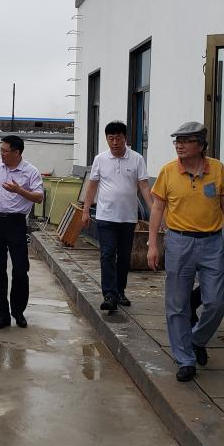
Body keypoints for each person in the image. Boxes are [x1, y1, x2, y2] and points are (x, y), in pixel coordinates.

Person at [147, 122, 224, 382]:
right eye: (177, 141)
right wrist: (153, 244)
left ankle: (196, 339)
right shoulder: (168, 171)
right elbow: (157, 208)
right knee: (177, 305)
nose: (179, 145)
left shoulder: (217, 169)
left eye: (185, 141)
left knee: (216, 301)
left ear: (200, 145)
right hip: (179, 243)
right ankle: (185, 359)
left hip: (212, 243)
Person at [81, 121, 153, 313]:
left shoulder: (137, 159)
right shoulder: (100, 159)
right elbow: (92, 186)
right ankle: (109, 295)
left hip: (128, 218)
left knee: (124, 257)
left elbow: (144, 186)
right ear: (107, 139)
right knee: (107, 254)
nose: (114, 142)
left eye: (118, 138)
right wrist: (86, 210)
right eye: (111, 138)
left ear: (125, 138)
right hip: (106, 217)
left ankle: (120, 291)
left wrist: (154, 211)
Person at [0, 135, 44, 330]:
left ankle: (18, 311)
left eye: (5, 151)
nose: (2, 154)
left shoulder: (30, 171)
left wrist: (19, 190)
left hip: (16, 223)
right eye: (1, 150)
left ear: (17, 152)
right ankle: (2, 315)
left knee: (21, 269)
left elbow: (39, 197)